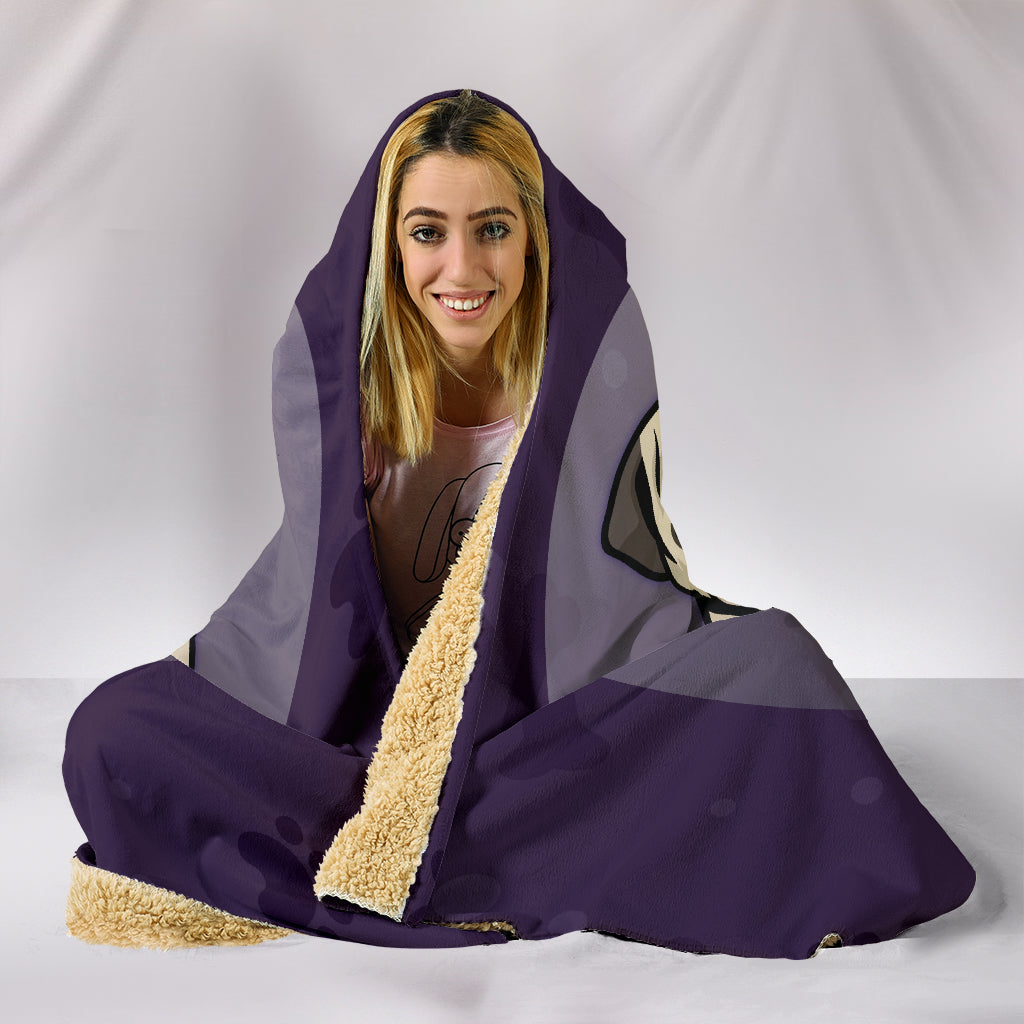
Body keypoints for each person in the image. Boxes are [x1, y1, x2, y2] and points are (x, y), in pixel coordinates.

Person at [63, 90, 975, 957]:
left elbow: (623, 582)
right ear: (389, 245)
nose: (461, 270)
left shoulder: (580, 370)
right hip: (371, 739)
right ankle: (480, 847)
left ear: (534, 238)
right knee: (112, 730)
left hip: (541, 732)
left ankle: (407, 851)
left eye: (493, 229)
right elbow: (306, 605)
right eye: (428, 232)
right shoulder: (348, 394)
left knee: (777, 661)